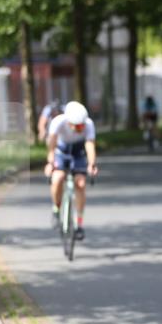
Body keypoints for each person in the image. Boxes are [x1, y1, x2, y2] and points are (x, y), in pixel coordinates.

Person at [45, 101, 98, 239]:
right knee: (58, 178)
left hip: (78, 153)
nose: (81, 128)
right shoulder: (58, 122)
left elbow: (90, 145)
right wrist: (50, 163)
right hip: (61, 152)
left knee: (80, 184)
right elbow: (52, 144)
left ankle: (79, 224)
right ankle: (56, 209)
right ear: (69, 123)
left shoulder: (89, 124)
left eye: (82, 125)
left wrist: (92, 164)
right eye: (78, 126)